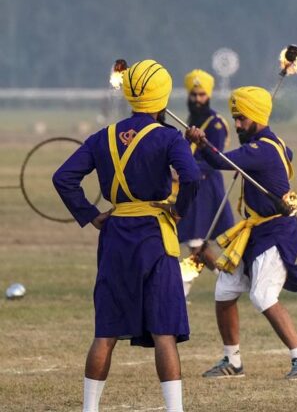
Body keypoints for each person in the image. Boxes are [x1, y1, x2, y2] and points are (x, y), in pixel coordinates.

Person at [53, 59, 200, 412]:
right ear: (162, 97)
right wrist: (179, 210)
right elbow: (191, 178)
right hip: (154, 237)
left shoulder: (101, 136)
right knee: (164, 331)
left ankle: (90, 409)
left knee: (105, 332)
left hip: (116, 236)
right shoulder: (168, 136)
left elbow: (63, 178)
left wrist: (89, 214)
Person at [185, 86, 297, 381]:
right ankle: (232, 362)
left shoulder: (262, 150)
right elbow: (285, 153)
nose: (238, 124)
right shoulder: (271, 144)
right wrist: (247, 164)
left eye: (243, 119)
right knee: (224, 291)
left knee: (262, 295)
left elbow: (219, 162)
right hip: (254, 231)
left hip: (276, 232)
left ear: (258, 117)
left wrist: (202, 143)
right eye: (236, 118)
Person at [177, 69, 234, 296]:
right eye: (194, 95)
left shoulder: (216, 124)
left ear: (208, 95)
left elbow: (215, 157)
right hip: (191, 186)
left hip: (206, 187)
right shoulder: (191, 120)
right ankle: (222, 279)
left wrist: (184, 170)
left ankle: (222, 279)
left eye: (202, 95)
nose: (198, 99)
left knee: (196, 242)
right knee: (197, 244)